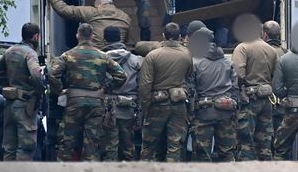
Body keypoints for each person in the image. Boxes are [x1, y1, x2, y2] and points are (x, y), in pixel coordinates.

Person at [49, 23, 126, 161]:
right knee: (92, 143)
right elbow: (121, 75)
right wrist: (105, 88)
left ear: (77, 35)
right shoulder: (103, 56)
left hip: (74, 103)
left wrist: (59, 90)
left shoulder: (67, 55)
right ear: (92, 36)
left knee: (67, 142)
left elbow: (53, 74)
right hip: (96, 104)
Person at [139, 22, 193, 162]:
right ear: (180, 37)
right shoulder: (187, 55)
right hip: (178, 105)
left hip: (157, 105)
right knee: (175, 145)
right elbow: (188, 77)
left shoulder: (153, 55)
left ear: (163, 35)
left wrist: (145, 107)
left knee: (149, 146)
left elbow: (145, 84)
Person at [0, 23, 44, 161]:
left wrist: (7, 86)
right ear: (36, 36)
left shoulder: (9, 51)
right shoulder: (30, 53)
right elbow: (36, 75)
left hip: (9, 104)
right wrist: (38, 91)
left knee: (9, 148)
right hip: (25, 105)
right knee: (26, 147)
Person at [189, 27, 239, 162]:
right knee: (227, 153)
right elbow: (235, 86)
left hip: (204, 113)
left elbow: (191, 88)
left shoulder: (195, 62)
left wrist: (191, 111)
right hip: (226, 111)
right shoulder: (228, 62)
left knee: (202, 154)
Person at [232, 22, 279, 160]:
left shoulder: (242, 48)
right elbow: (276, 75)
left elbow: (238, 74)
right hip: (266, 100)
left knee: (246, 141)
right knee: (264, 141)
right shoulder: (271, 50)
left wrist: (240, 90)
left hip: (249, 100)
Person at [43, 0, 130, 50]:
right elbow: (127, 40)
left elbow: (64, 10)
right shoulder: (125, 17)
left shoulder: (93, 12)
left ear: (99, 5)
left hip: (96, 55)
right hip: (118, 56)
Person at [101, 25, 142, 161]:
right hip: (129, 107)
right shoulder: (135, 60)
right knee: (128, 145)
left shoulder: (100, 59)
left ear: (105, 39)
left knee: (110, 146)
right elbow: (143, 85)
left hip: (107, 107)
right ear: (121, 38)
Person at [262, 21, 286, 135]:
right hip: (281, 102)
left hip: (264, 101)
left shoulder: (261, 52)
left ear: (264, 35)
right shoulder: (285, 54)